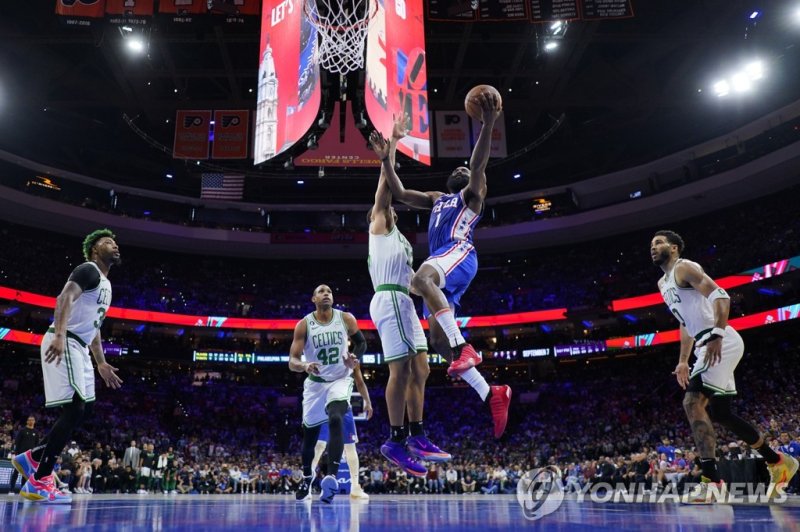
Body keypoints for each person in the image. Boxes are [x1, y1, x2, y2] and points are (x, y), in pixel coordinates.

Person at [369, 90, 511, 439]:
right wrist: (387, 157)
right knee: (436, 341)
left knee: (419, 279)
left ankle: (464, 347)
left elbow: (477, 165)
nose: (462, 168)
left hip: (458, 253)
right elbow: (399, 193)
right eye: (457, 168)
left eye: (466, 167)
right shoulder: (436, 199)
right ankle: (490, 392)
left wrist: (489, 122)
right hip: (446, 272)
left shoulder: (470, 195)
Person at [651, 230, 799, 503]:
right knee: (721, 413)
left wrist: (718, 333)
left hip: (719, 340)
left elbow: (721, 296)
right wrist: (683, 360)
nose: (653, 247)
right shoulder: (663, 283)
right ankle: (778, 461)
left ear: (674, 248)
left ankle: (712, 481)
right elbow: (684, 322)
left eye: (659, 242)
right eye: (652, 244)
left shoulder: (685, 267)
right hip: (703, 343)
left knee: (692, 403)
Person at [12, 229, 123, 503]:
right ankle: (39, 480)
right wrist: (60, 335)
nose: (115, 245)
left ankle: (33, 458)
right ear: (95, 250)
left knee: (85, 410)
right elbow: (63, 299)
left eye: (115, 242)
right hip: (66, 339)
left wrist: (101, 362)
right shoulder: (88, 269)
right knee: (75, 408)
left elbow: (95, 327)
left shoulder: (106, 284)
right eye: (108, 242)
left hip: (81, 346)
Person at [367, 115, 450, 478]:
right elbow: (385, 191)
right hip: (389, 300)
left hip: (405, 301)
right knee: (400, 370)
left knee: (422, 368)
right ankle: (395, 439)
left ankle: (417, 435)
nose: (391, 209)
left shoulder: (401, 240)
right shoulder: (379, 226)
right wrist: (391, 150)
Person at [289, 284, 365, 504]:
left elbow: (361, 342)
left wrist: (354, 357)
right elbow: (292, 361)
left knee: (335, 417)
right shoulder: (304, 325)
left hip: (340, 379)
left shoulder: (346, 318)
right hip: (315, 384)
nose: (326, 294)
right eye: (321, 292)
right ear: (314, 298)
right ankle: (306, 477)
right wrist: (303, 366)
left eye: (330, 291)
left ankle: (331, 477)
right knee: (310, 438)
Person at [310, 362, 373, 500]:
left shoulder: (351, 360)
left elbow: (360, 382)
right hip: (324, 406)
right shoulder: (324, 355)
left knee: (350, 447)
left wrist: (367, 401)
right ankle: (306, 484)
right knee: (319, 445)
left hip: (345, 407)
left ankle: (355, 487)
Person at [9, 416, 40, 495]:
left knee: (26, 474)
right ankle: (11, 490)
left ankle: (22, 490)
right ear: (27, 421)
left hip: (29, 457)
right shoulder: (22, 430)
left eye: (32, 420)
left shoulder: (36, 432)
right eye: (29, 420)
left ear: (34, 422)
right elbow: (17, 442)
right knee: (16, 472)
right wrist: (15, 453)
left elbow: (36, 446)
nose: (31, 421)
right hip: (20, 455)